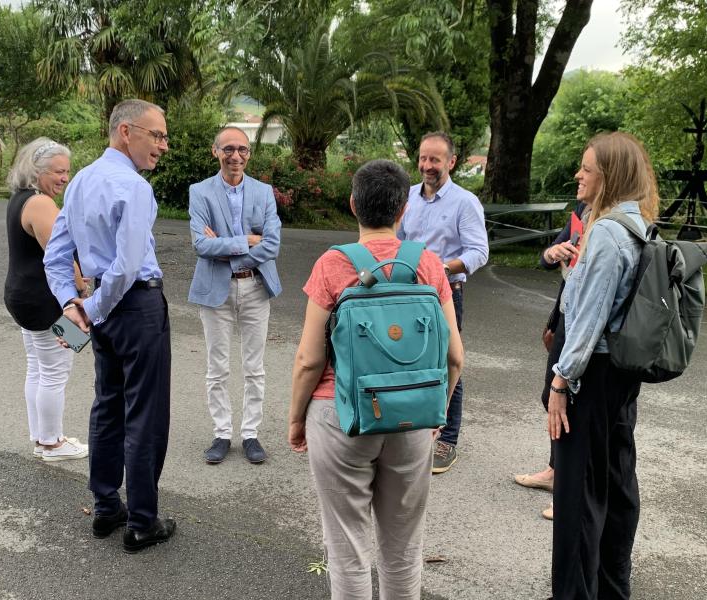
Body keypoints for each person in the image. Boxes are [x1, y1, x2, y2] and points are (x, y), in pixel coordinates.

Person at [289, 159, 464, 599]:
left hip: (341, 416)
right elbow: (455, 355)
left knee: (346, 548)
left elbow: (310, 360)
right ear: (404, 208)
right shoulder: (428, 264)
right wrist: (436, 413)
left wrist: (296, 419)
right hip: (412, 420)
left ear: (353, 205)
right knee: (403, 547)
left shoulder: (331, 266)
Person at [44, 99, 176, 554]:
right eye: (156, 135)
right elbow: (127, 265)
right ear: (126, 131)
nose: (163, 144)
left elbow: (56, 255)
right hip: (134, 305)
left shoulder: (79, 180)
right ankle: (142, 521)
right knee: (145, 413)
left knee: (107, 405)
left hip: (98, 307)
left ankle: (106, 507)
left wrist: (74, 304)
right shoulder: (134, 187)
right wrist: (93, 306)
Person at [547, 132, 659, 599]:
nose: (578, 174)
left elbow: (589, 321)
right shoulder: (640, 224)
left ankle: (574, 592)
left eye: (587, 168)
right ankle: (613, 587)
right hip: (622, 374)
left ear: (608, 176)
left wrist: (560, 382)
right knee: (615, 484)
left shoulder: (609, 232)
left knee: (577, 494)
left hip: (590, 375)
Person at [188, 126, 282, 465]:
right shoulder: (199, 192)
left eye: (242, 149)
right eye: (228, 149)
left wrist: (226, 248)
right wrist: (247, 240)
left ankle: (251, 434)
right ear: (216, 152)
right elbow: (201, 245)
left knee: (254, 367)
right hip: (216, 288)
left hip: (256, 287)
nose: (236, 156)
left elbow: (272, 244)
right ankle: (222, 433)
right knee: (218, 367)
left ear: (249, 154)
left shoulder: (264, 192)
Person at [397, 131, 488, 474]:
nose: (427, 166)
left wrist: (437, 268)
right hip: (407, 293)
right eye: (423, 158)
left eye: (435, 159)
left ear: (451, 162)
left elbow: (479, 252)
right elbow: (397, 241)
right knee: (407, 360)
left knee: (449, 362)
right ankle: (411, 429)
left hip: (445, 294)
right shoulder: (408, 198)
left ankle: (448, 439)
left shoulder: (465, 203)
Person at [4, 137, 88, 462]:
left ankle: (42, 438)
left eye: (67, 171)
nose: (65, 178)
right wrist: (82, 290)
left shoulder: (19, 198)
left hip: (23, 296)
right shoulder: (40, 204)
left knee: (38, 367)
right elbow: (61, 255)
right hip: (46, 301)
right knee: (55, 370)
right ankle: (53, 443)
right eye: (58, 172)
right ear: (37, 171)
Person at [514, 201, 588, 521]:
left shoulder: (613, 220)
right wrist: (551, 254)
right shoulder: (583, 209)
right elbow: (548, 258)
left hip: (587, 327)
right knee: (551, 397)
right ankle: (554, 471)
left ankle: (573, 493)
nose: (579, 177)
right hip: (565, 316)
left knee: (575, 405)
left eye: (587, 170)